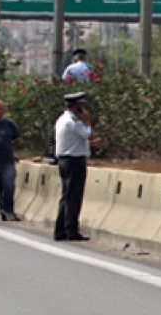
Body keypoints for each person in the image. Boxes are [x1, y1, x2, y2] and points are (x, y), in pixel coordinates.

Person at [54, 92, 95, 242]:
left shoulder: (62, 119)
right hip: (74, 162)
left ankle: (61, 230)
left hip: (65, 160)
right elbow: (88, 135)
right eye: (81, 106)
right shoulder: (73, 121)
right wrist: (87, 121)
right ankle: (71, 230)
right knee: (73, 197)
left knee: (66, 196)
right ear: (76, 106)